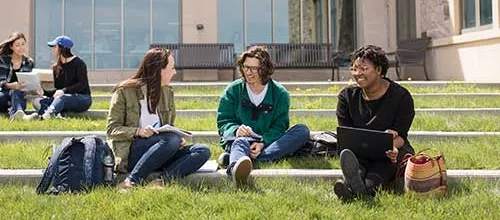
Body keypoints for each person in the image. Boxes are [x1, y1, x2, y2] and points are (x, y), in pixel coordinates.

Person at [107, 48, 211, 191]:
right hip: (133, 152)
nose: (174, 72)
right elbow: (112, 130)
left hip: (161, 148)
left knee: (202, 150)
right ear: (159, 70)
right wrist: (139, 131)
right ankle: (130, 181)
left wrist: (178, 139)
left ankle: (160, 182)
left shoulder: (167, 92)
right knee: (170, 139)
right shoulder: (124, 91)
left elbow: (169, 126)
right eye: (172, 68)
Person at [216, 45, 311, 187]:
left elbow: (280, 126)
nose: (248, 72)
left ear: (265, 69)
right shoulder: (233, 90)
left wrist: (262, 143)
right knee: (239, 143)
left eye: (254, 68)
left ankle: (240, 159)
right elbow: (224, 121)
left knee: (302, 131)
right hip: (240, 139)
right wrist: (236, 130)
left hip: (267, 142)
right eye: (245, 67)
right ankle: (236, 168)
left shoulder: (280, 93)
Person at [334, 44, 415, 200]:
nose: (357, 74)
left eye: (363, 69)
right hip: (359, 152)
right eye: (354, 69)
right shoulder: (346, 97)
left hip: (390, 152)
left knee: (375, 178)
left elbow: (401, 136)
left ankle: (355, 189)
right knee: (356, 167)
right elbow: (346, 135)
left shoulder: (401, 97)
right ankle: (355, 185)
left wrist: (392, 146)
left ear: (378, 69)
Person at [33, 36, 92, 119]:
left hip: (82, 98)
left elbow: (82, 84)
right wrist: (44, 92)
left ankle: (47, 115)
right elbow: (58, 89)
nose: (53, 49)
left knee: (62, 98)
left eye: (55, 46)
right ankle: (53, 115)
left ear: (62, 48)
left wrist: (65, 91)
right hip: (61, 99)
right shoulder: (56, 67)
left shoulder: (79, 63)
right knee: (37, 101)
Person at [0, 31, 38, 121]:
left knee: (17, 93)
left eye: (23, 44)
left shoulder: (29, 62)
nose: (21, 48)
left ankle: (18, 116)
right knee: (14, 91)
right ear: (11, 47)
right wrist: (14, 85)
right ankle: (19, 113)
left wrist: (36, 89)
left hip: (17, 96)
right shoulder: (3, 60)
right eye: (17, 45)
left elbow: (27, 82)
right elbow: (2, 83)